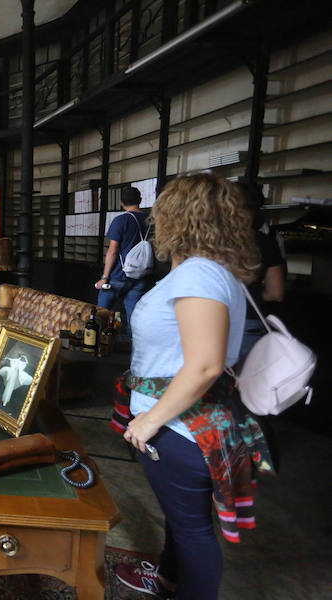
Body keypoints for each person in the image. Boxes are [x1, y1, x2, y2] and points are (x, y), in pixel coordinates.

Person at [114, 174, 275, 600]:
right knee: (182, 519)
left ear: (176, 217)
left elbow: (205, 365)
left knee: (193, 532)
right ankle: (168, 578)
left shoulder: (199, 275)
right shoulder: (211, 272)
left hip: (181, 429)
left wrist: (149, 421)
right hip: (190, 424)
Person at [236, 182, 285, 362]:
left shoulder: (212, 241)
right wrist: (253, 293)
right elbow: (276, 293)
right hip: (251, 323)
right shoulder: (267, 242)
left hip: (217, 321)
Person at [95, 187, 150, 320]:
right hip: (141, 275)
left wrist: (105, 277)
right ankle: (132, 340)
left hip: (118, 275)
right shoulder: (151, 221)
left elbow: (113, 250)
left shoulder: (120, 221)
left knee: (101, 314)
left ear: (121, 203)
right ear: (140, 200)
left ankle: (97, 338)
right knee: (134, 317)